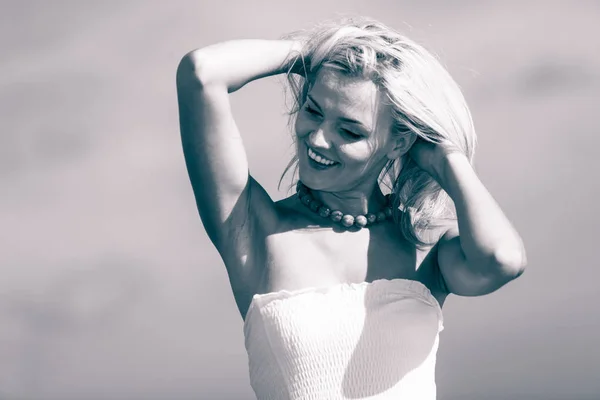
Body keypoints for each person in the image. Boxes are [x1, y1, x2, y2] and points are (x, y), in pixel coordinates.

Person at [176, 16, 526, 400]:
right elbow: (202, 72)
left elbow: (502, 260)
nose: (318, 138)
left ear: (399, 143)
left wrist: (447, 160)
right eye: (313, 110)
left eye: (349, 131)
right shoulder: (254, 230)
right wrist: (319, 52)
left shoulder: (425, 246)